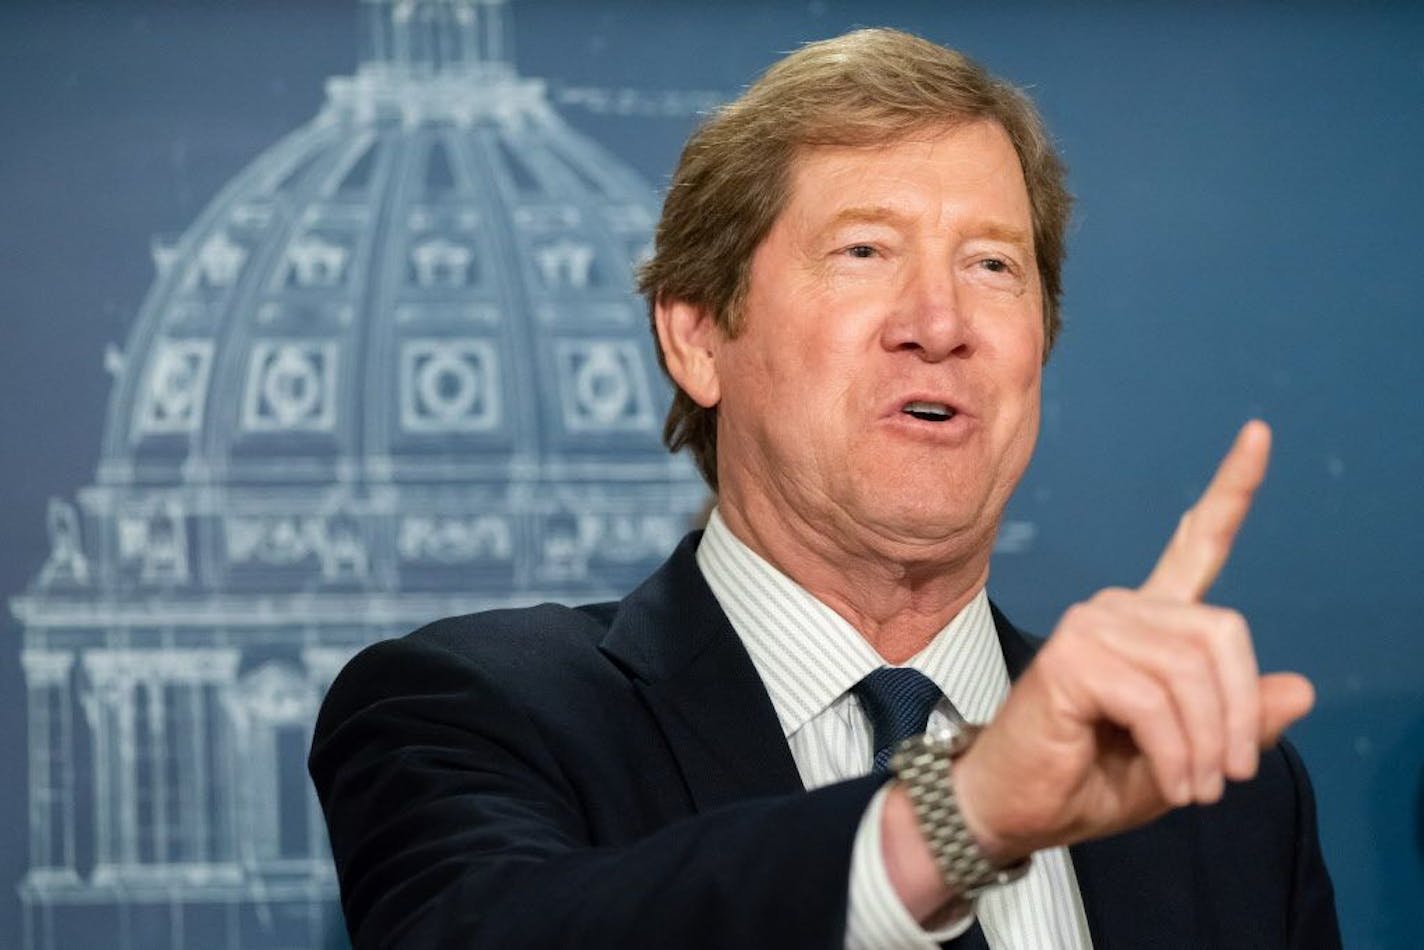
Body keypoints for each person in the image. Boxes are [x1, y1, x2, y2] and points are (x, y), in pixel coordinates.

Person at [310, 28, 1340, 949]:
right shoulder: (470, 710)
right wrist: (957, 814)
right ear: (698, 335)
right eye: (863, 251)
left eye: (991, 265)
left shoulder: (1213, 798)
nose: (937, 322)